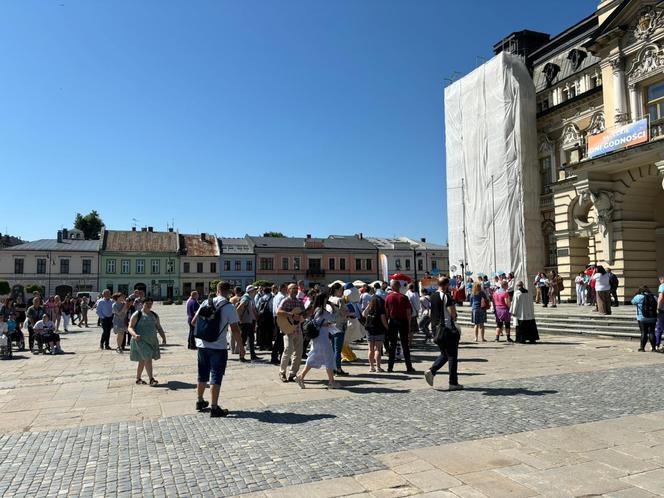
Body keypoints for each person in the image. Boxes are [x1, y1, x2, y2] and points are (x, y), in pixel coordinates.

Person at [191, 281, 244, 417]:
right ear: (229, 292)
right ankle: (214, 407)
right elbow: (235, 329)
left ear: (217, 290)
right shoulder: (229, 307)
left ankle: (200, 401)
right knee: (215, 376)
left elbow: (193, 321)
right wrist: (241, 347)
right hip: (218, 346)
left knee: (202, 374)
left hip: (202, 345)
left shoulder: (205, 302)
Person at [424, 277, 463, 390]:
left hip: (437, 329)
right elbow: (453, 314)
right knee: (452, 357)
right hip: (447, 329)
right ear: (446, 285)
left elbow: (430, 314)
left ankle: (432, 371)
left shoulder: (433, 296)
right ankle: (453, 382)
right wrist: (454, 317)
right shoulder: (446, 296)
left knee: (444, 354)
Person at [296, 292, 339, 389]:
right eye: (327, 298)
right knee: (328, 357)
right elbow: (334, 317)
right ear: (324, 299)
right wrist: (333, 306)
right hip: (322, 338)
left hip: (317, 337)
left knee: (314, 357)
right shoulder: (322, 311)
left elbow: (318, 322)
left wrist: (325, 324)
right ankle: (331, 382)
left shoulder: (315, 309)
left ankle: (301, 376)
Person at [128, 297, 166, 386]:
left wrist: (163, 337)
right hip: (140, 341)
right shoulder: (137, 314)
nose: (149, 305)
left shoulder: (154, 315)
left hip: (151, 341)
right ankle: (151, 379)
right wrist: (134, 335)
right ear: (142, 304)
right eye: (147, 303)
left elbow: (159, 327)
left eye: (150, 303)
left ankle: (138, 379)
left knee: (142, 360)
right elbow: (130, 327)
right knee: (148, 358)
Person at [277, 283, 307, 382]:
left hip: (298, 330)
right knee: (288, 350)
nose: (295, 290)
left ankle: (293, 374)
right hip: (288, 330)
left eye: (296, 288)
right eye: (292, 288)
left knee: (298, 353)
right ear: (288, 290)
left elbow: (303, 315)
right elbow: (278, 312)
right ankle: (282, 372)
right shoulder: (285, 300)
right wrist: (291, 314)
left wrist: (305, 316)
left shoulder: (299, 302)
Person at [385, 280, 416, 373]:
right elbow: (408, 313)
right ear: (399, 287)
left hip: (393, 321)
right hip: (403, 321)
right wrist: (409, 324)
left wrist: (387, 324)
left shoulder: (388, 297)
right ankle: (409, 367)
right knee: (405, 345)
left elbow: (386, 312)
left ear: (392, 287)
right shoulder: (404, 297)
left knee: (392, 345)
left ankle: (390, 367)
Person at [327, 282, 349, 376]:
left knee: (332, 349)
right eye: (341, 290)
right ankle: (338, 369)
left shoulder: (330, 299)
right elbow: (344, 313)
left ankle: (333, 368)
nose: (342, 292)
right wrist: (348, 312)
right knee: (337, 350)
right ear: (337, 290)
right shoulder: (340, 300)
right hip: (339, 326)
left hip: (330, 326)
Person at [362, 292, 388, 372]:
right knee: (377, 349)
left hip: (369, 331)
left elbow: (363, 314)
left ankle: (371, 367)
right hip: (379, 331)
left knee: (370, 349)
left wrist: (368, 305)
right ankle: (378, 367)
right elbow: (384, 321)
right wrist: (387, 328)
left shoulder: (369, 310)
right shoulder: (380, 310)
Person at [631, 286, 658, 352]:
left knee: (643, 332)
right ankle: (654, 348)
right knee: (652, 332)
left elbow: (632, 302)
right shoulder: (654, 297)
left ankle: (642, 348)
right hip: (653, 317)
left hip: (642, 318)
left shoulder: (638, 297)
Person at [237, 285, 258, 361]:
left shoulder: (249, 298)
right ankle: (241, 357)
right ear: (250, 291)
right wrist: (239, 319)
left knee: (251, 338)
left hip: (249, 321)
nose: (255, 292)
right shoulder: (245, 298)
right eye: (254, 290)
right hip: (245, 322)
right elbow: (239, 308)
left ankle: (253, 355)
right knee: (243, 339)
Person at [271, 283, 288, 365]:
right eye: (286, 289)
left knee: (280, 338)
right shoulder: (282, 297)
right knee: (279, 339)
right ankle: (275, 357)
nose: (287, 290)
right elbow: (280, 309)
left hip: (276, 317)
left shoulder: (276, 296)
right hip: (280, 318)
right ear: (282, 289)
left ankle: (280, 356)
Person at [256, 286, 274, 351]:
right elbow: (272, 308)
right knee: (269, 332)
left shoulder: (261, 298)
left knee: (262, 331)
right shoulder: (272, 298)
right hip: (269, 316)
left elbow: (257, 307)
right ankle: (269, 346)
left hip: (262, 316)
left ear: (264, 291)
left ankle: (261, 346)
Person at [656, 275, 664, 352]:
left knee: (659, 328)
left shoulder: (662, 286)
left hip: (662, 310)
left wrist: (658, 307)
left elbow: (661, 297)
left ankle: (657, 344)